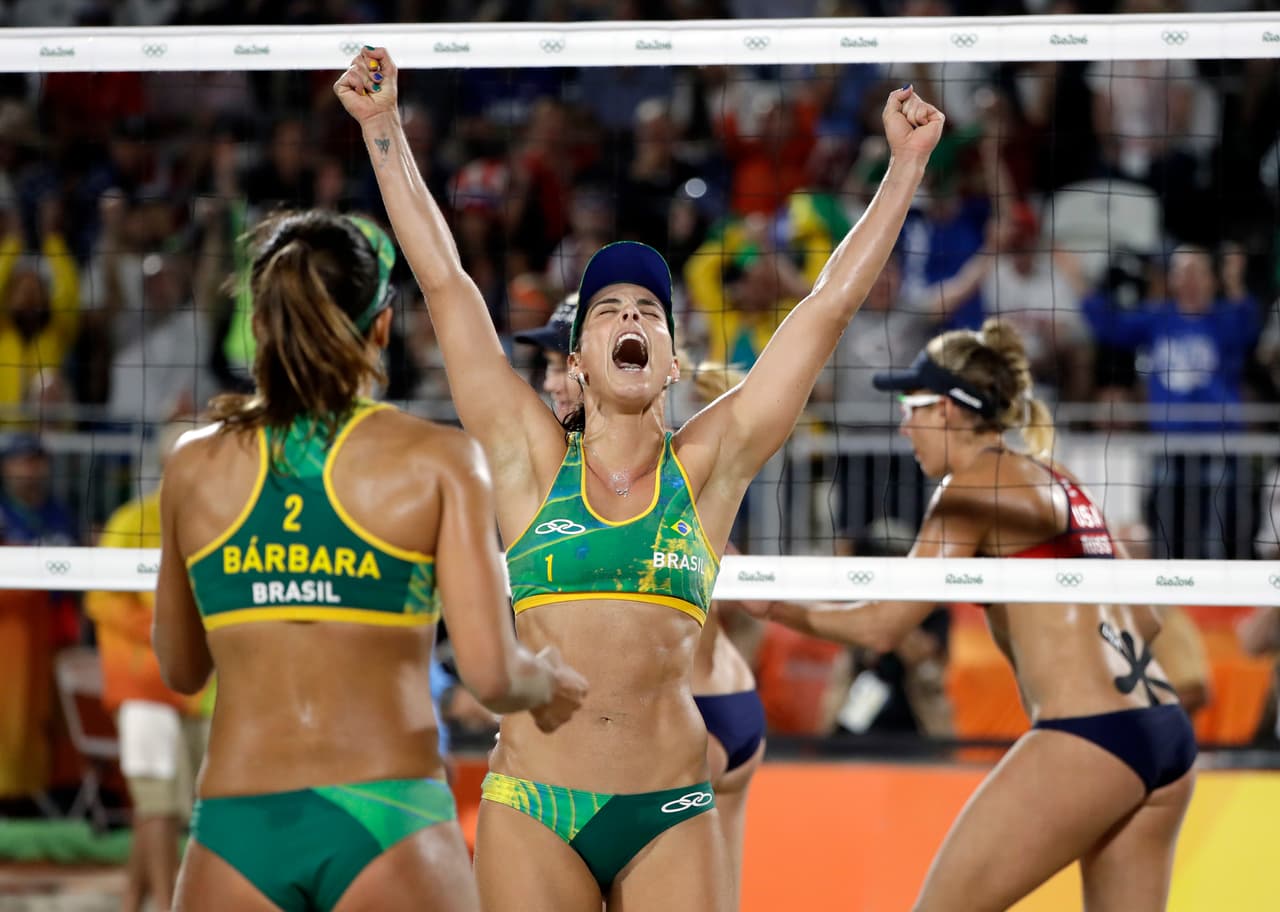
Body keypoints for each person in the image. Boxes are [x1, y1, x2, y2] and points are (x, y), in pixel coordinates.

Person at [340, 46, 942, 911]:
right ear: (578, 361)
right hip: (535, 805)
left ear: (667, 363)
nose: (631, 315)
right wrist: (384, 128)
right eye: (608, 310)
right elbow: (445, 282)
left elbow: (825, 309)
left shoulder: (708, 464)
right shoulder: (529, 454)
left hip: (671, 808)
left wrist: (903, 168)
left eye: (650, 311)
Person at [152, 209, 586, 912]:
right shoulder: (438, 459)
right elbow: (491, 673)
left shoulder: (194, 465)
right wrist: (547, 683)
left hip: (240, 821)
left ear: (261, 324)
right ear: (381, 326)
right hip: (388, 815)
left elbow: (179, 667)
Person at [753, 318, 1197, 912]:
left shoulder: (968, 487)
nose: (904, 424)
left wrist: (771, 603)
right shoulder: (1060, 479)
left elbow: (883, 626)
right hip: (1163, 732)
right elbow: (1147, 619)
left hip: (1090, 737)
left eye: (914, 406)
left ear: (951, 411)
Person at [516, 307, 767, 910]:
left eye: (556, 365)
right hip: (717, 698)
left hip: (669, 718)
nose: (550, 382)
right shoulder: (666, 470)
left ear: (586, 367)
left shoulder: (618, 473)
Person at [86, 423, 212, 912]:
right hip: (143, 684)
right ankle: (167, 904)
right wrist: (173, 629)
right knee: (158, 806)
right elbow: (99, 599)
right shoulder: (133, 519)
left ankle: (131, 901)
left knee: (169, 809)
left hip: (200, 687)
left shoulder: (215, 517)